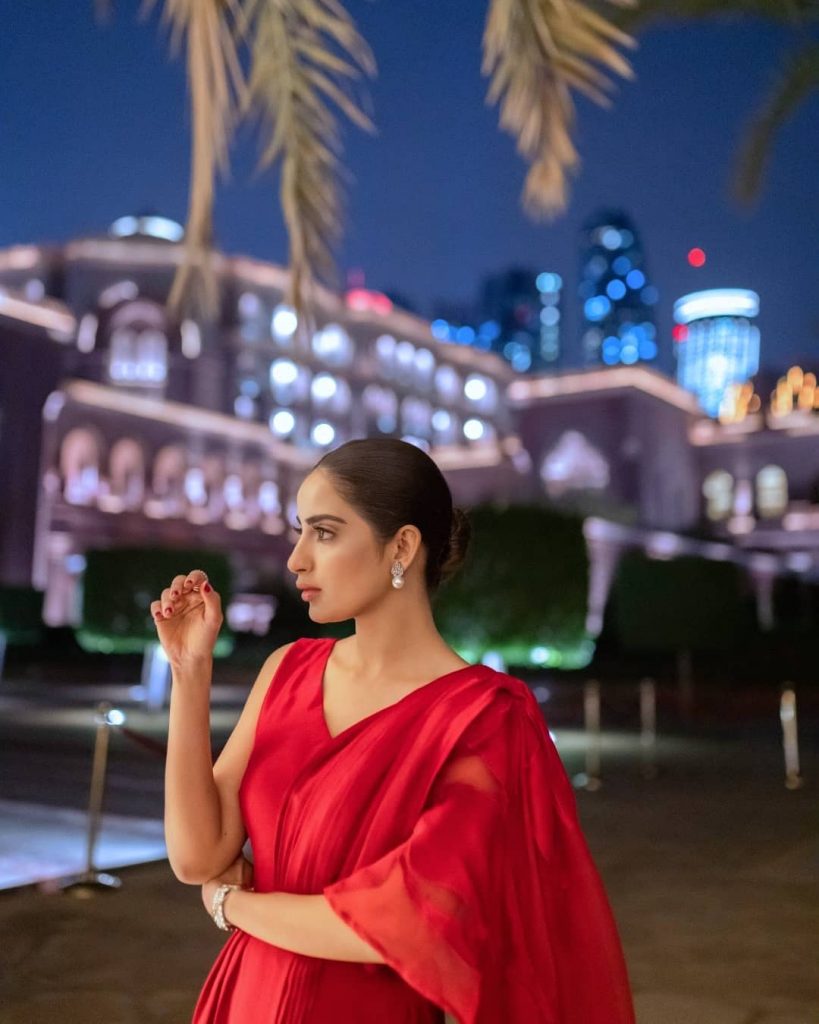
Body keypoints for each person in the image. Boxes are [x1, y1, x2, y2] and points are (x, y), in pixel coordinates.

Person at [155, 437, 636, 1023]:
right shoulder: (287, 671)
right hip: (244, 997)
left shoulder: (484, 718)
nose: (296, 559)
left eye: (324, 532)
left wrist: (235, 905)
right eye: (299, 530)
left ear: (402, 546)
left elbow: (409, 920)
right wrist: (189, 671)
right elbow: (197, 856)